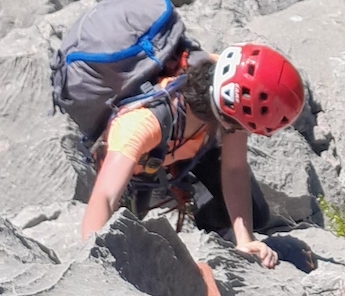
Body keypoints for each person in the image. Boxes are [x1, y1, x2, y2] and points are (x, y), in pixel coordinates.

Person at [80, 41, 305, 270]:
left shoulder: (231, 83)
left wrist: (245, 240)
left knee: (255, 215)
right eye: (240, 127)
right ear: (227, 119)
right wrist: (95, 266)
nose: (241, 133)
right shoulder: (141, 124)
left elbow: (234, 168)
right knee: (134, 237)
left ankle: (199, 208)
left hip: (190, 144)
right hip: (141, 166)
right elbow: (105, 196)